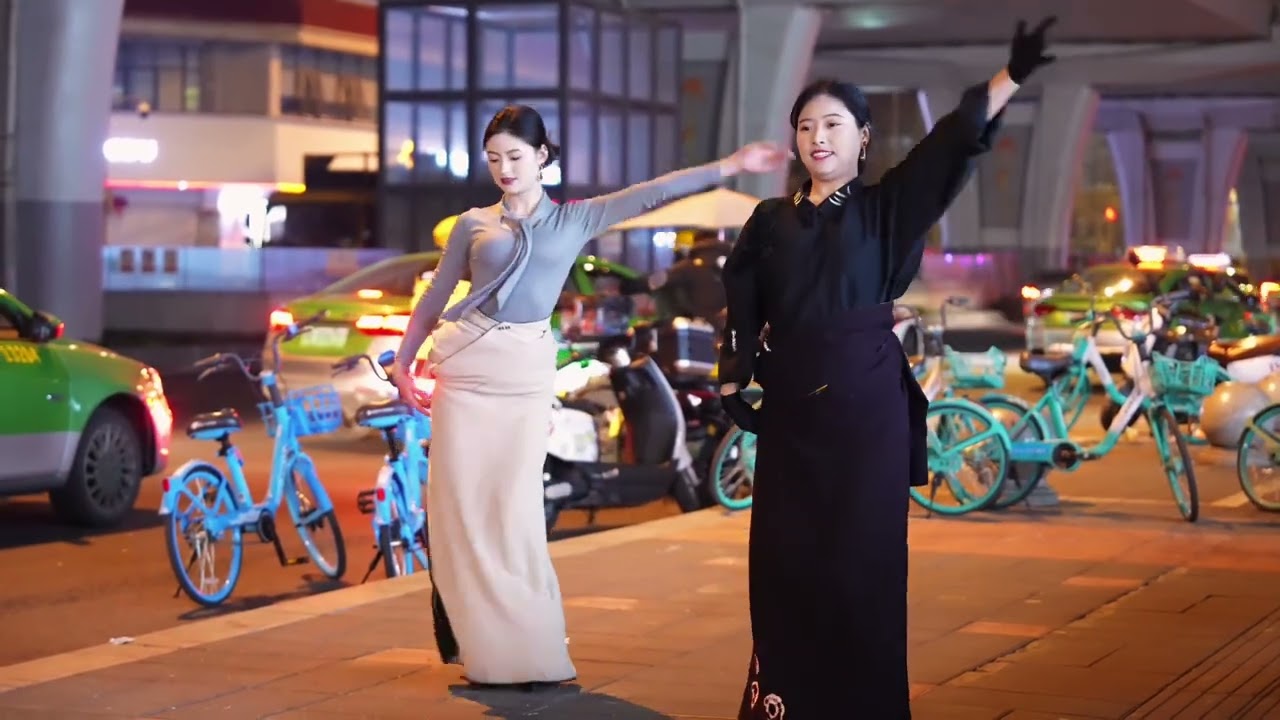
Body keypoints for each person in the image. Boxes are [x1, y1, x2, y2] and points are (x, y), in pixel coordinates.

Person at [717, 17, 1058, 719]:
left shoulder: (886, 209)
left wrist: (1009, 76)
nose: (819, 138)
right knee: (784, 563)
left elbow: (948, 146)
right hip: (791, 415)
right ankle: (784, 702)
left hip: (864, 409)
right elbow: (742, 294)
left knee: (861, 565)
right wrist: (733, 376)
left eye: (835, 124)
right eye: (807, 125)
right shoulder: (768, 221)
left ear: (863, 138)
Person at [390, 104, 787, 687]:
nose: (504, 168)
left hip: (524, 373)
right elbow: (436, 298)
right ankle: (482, 647)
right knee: (461, 511)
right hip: (467, 368)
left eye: (516, 157)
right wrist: (403, 363)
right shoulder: (473, 224)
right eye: (494, 158)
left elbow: (654, 192)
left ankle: (527, 645)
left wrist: (732, 164)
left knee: (516, 510)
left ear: (543, 158)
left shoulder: (575, 219)